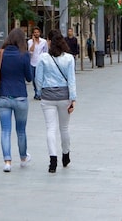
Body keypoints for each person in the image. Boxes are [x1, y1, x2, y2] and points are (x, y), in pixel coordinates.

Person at [35, 29, 76, 173]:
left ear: (50, 41)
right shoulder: (69, 58)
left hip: (48, 96)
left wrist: (39, 92)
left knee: (50, 128)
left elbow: (38, 79)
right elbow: (71, 80)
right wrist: (73, 99)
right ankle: (66, 155)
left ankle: (53, 161)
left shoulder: (43, 58)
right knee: (64, 128)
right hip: (64, 96)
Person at [0, 28, 32, 172]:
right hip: (20, 97)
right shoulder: (24, 55)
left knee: (5, 130)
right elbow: (29, 77)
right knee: (21, 130)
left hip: (3, 97)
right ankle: (23, 158)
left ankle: (7, 162)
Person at [27, 23, 48, 100]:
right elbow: (30, 52)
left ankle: (40, 93)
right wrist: (34, 42)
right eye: (35, 32)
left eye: (37, 32)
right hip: (33, 62)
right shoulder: (30, 42)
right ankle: (36, 92)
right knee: (34, 79)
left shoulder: (44, 41)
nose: (36, 33)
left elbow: (46, 51)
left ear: (40, 33)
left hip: (41, 63)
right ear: (33, 34)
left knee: (40, 78)